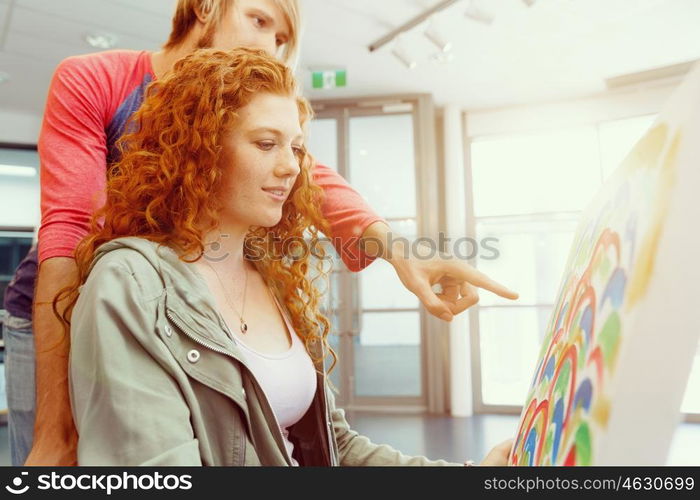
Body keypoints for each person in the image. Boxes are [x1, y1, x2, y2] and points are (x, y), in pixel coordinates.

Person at [4, 0, 516, 466]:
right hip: (56, 304)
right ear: (205, 7)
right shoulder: (97, 81)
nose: (268, 44)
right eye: (259, 20)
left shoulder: (261, 243)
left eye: (280, 38)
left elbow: (317, 184)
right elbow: (71, 234)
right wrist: (55, 433)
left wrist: (405, 254)